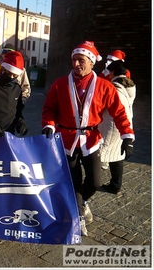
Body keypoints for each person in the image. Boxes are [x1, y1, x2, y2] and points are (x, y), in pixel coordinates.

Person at [41, 41, 134, 236]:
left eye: (81, 60)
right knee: (74, 182)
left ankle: (82, 202)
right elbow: (49, 108)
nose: (76, 64)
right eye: (74, 60)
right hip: (67, 140)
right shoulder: (60, 84)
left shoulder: (104, 86)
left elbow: (119, 112)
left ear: (92, 62)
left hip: (91, 140)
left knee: (95, 182)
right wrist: (49, 125)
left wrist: (127, 136)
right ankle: (78, 215)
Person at [99, 60, 136, 195]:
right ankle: (116, 185)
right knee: (117, 154)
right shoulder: (129, 85)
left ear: (113, 72)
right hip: (124, 123)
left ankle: (92, 181)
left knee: (100, 152)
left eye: (109, 72)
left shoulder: (114, 87)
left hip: (112, 123)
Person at [1, 43, 31, 110]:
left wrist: (22, 99)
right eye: (4, 52)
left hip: (15, 100)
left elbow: (26, 86)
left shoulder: (21, 70)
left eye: (9, 52)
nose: (5, 54)